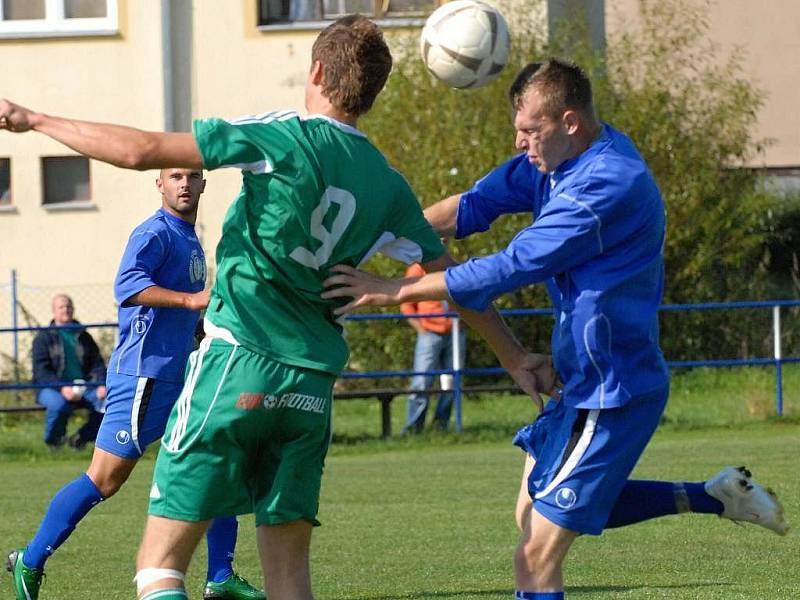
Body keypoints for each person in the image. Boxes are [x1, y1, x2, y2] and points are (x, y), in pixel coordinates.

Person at [0, 15, 552, 600]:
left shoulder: (282, 135)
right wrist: (515, 357)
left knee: (159, 564)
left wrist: (35, 120)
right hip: (311, 389)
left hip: (236, 364)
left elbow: (141, 150)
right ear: (372, 95)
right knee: (288, 577)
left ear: (315, 71)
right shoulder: (386, 184)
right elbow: (458, 282)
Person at [321, 59, 788, 599]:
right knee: (534, 515)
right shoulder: (550, 162)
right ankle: (716, 498)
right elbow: (470, 208)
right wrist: (374, 239)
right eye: (517, 131)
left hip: (613, 391)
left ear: (569, 122)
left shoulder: (608, 183)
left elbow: (510, 266)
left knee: (535, 555)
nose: (521, 144)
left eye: (529, 132)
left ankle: (716, 499)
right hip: (578, 382)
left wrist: (392, 289)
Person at [7, 170, 263, 600]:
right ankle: (30, 561)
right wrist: (190, 300)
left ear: (203, 185)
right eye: (174, 177)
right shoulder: (154, 233)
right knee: (105, 479)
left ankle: (220, 576)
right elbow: (128, 287)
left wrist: (203, 331)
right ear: (159, 184)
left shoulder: (188, 236)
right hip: (142, 376)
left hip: (179, 375)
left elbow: (183, 313)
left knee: (216, 461)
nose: (184, 184)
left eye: (192, 177)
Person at [31, 294, 107, 450]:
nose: (66, 310)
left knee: (108, 405)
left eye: (69, 306)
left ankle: (80, 439)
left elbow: (97, 364)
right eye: (61, 307)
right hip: (52, 388)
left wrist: (101, 384)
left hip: (85, 387)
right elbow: (41, 371)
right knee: (58, 405)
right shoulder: (43, 338)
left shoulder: (84, 336)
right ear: (53, 311)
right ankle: (54, 443)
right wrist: (62, 388)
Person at [400, 259, 466, 432]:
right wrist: (420, 329)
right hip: (429, 333)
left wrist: (464, 323)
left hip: (455, 332)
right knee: (421, 381)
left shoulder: (454, 265)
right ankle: (414, 428)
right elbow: (406, 304)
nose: (443, 240)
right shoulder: (417, 268)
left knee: (451, 382)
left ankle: (440, 426)